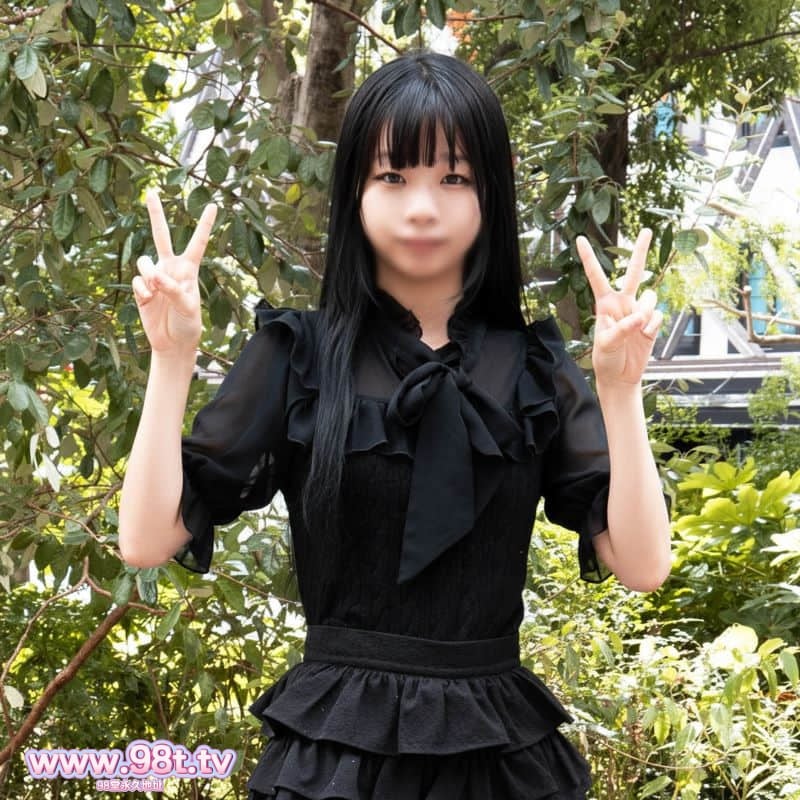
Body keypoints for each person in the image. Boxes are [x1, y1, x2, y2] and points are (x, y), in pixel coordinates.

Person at [119, 51, 671, 800]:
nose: (422, 208)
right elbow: (147, 540)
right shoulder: (297, 355)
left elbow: (642, 565)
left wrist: (620, 390)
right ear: (354, 189)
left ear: (491, 192)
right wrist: (171, 357)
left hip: (499, 759)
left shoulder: (533, 367)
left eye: (454, 178)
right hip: (334, 759)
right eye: (393, 176)